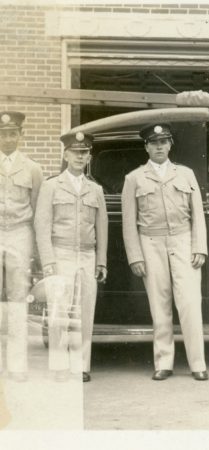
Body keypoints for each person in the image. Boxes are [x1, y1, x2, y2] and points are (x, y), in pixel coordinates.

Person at [121, 123, 208, 381]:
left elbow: (197, 215)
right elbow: (129, 222)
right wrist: (135, 255)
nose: (159, 147)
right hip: (151, 243)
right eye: (154, 143)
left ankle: (198, 363)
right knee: (159, 306)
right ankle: (164, 362)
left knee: (190, 303)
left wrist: (199, 247)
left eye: (163, 142)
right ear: (146, 147)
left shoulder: (185, 174)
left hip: (182, 241)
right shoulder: (134, 178)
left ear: (170, 145)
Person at [34, 131, 108, 382]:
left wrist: (101, 261)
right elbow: (41, 226)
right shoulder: (51, 186)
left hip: (87, 256)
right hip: (61, 254)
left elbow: (102, 227)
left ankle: (82, 365)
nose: (80, 157)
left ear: (89, 156)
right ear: (65, 155)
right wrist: (48, 262)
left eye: (84, 152)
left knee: (86, 312)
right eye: (75, 153)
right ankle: (58, 365)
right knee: (59, 311)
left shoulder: (95, 189)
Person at [0, 111, 43, 382]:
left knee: (17, 299)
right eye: (3, 134)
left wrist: (37, 251)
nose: (7, 138)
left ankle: (16, 364)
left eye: (13, 133)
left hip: (19, 234)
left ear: (21, 135)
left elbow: (38, 210)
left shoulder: (32, 169)